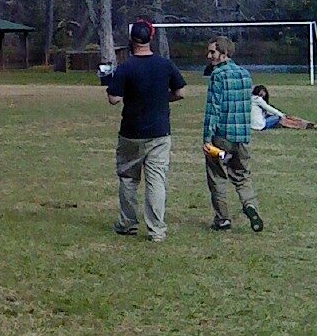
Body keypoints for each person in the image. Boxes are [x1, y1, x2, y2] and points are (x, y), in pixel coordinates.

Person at [105, 19, 187, 242]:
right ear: (151, 38)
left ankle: (128, 223)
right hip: (160, 132)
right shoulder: (165, 64)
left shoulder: (126, 67)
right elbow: (180, 93)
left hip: (131, 132)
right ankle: (157, 230)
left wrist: (110, 83)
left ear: (132, 40)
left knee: (128, 179)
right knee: (156, 181)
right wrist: (162, 98)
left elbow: (114, 99)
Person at [203, 36, 263, 233]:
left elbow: (213, 109)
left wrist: (206, 138)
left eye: (212, 52)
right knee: (242, 176)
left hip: (222, 137)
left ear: (224, 52)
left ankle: (222, 219)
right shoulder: (245, 74)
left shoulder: (218, 76)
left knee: (218, 176)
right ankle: (250, 206)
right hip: (243, 136)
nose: (209, 55)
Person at [251, 85, 317, 130]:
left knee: (285, 117)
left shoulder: (251, 100)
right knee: (281, 118)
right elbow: (269, 109)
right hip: (260, 125)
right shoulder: (258, 99)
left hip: (255, 124)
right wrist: (281, 115)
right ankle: (305, 125)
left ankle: (307, 124)